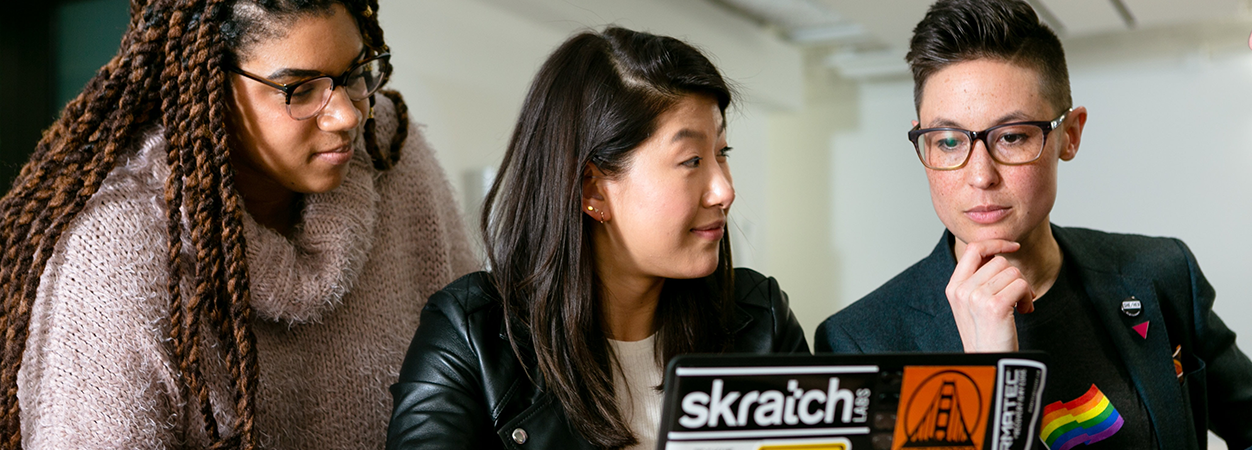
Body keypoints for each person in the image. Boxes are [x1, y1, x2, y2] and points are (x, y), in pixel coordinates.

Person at [0, 0, 475, 448]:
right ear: (211, 85)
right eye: (301, 89)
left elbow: (485, 373)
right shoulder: (118, 250)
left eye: (353, 74)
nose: (348, 114)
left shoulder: (389, 153)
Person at [815, 0, 1252, 448]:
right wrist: (992, 383)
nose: (980, 175)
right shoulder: (861, 343)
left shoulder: (1159, 271)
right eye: (947, 141)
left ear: (1071, 135)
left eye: (1011, 136)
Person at [386, 27, 809, 450]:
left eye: (722, 154)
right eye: (692, 160)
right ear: (592, 188)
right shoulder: (468, 336)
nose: (725, 191)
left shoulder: (761, 318)